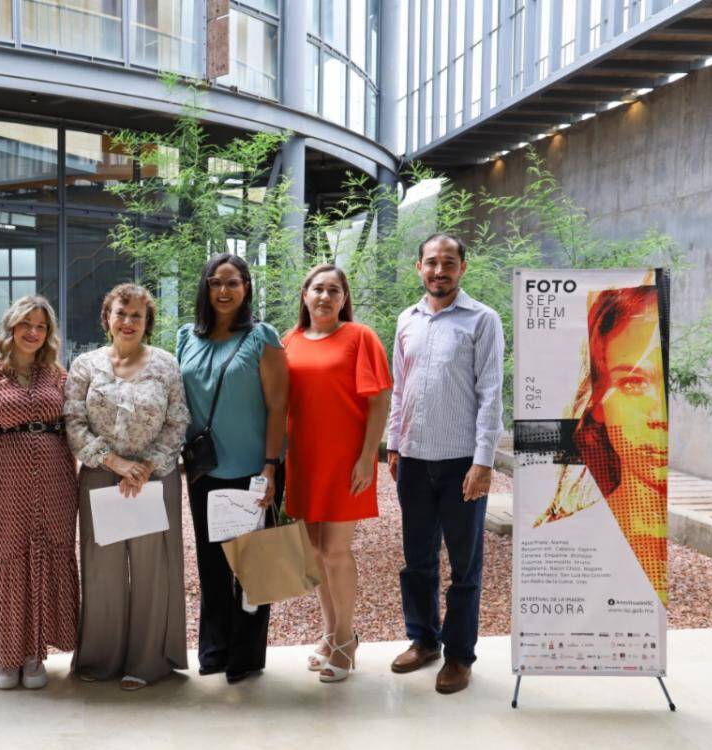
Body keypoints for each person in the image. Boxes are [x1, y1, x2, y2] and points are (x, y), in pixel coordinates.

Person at [386, 232, 504, 695]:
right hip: (414, 460)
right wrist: (394, 444)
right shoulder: (407, 320)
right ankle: (423, 640)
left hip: (461, 463)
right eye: (432, 262)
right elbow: (400, 388)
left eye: (449, 262)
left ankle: (458, 655)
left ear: (462, 268)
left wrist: (484, 461)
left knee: (464, 566)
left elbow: (490, 393)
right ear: (419, 267)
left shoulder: (482, 319)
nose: (440, 270)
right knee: (416, 560)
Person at [63, 283, 190, 691]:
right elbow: (73, 422)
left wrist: (147, 464)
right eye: (121, 312)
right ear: (107, 318)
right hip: (102, 477)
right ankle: (101, 657)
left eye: (137, 315)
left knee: (154, 571)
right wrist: (115, 463)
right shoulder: (85, 365)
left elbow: (178, 421)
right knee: (103, 570)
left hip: (155, 477)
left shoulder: (166, 364)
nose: (128, 321)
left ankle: (148, 661)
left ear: (147, 322)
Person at [0, 296, 79, 690]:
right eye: (26, 324)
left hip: (56, 485)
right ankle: (7, 656)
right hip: (4, 485)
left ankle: (34, 655)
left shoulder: (58, 376)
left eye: (41, 326)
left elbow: (76, 431)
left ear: (48, 334)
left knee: (47, 558)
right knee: (6, 560)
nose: (33, 332)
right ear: (11, 327)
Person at [175, 254, 288, 685]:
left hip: (253, 470)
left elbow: (278, 406)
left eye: (232, 283)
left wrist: (271, 466)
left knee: (253, 567)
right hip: (204, 470)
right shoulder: (186, 336)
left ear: (246, 288)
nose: (223, 291)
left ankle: (246, 655)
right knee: (212, 564)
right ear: (205, 288)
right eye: (215, 283)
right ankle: (214, 649)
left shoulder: (262, 337)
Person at [284, 263, 392, 684]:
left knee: (334, 551)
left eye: (334, 290)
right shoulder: (289, 341)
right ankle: (330, 634)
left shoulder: (360, 337)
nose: (325, 296)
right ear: (305, 295)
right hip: (303, 460)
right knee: (313, 551)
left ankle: (346, 639)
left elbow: (379, 401)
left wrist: (367, 457)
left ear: (344, 298)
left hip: (346, 460)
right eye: (318, 289)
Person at [535, 284, 668, 605]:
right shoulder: (564, 531)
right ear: (597, 404)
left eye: (663, 385)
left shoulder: (653, 546)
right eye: (634, 383)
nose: (658, 416)